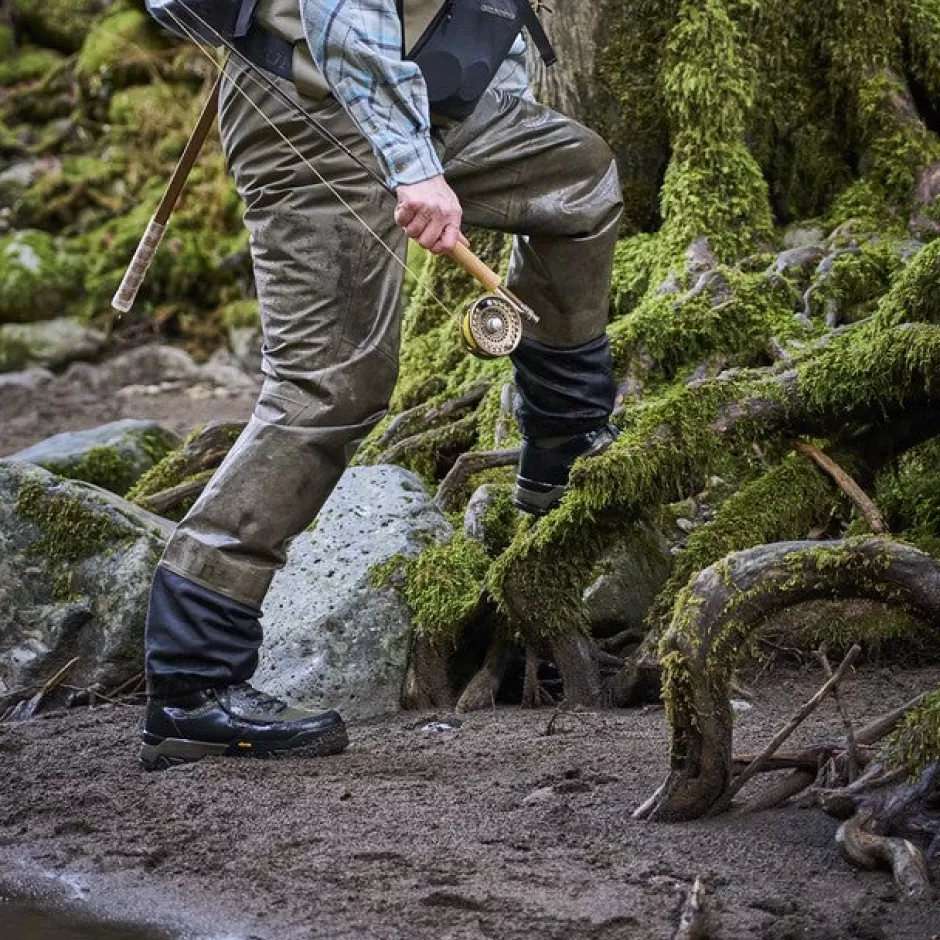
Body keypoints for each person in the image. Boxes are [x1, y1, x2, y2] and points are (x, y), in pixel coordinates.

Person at [140, 0, 623, 770]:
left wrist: (474, 114)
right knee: (328, 388)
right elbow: (343, 10)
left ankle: (562, 445)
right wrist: (415, 166)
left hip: (420, 99)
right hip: (310, 109)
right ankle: (193, 683)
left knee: (579, 177)